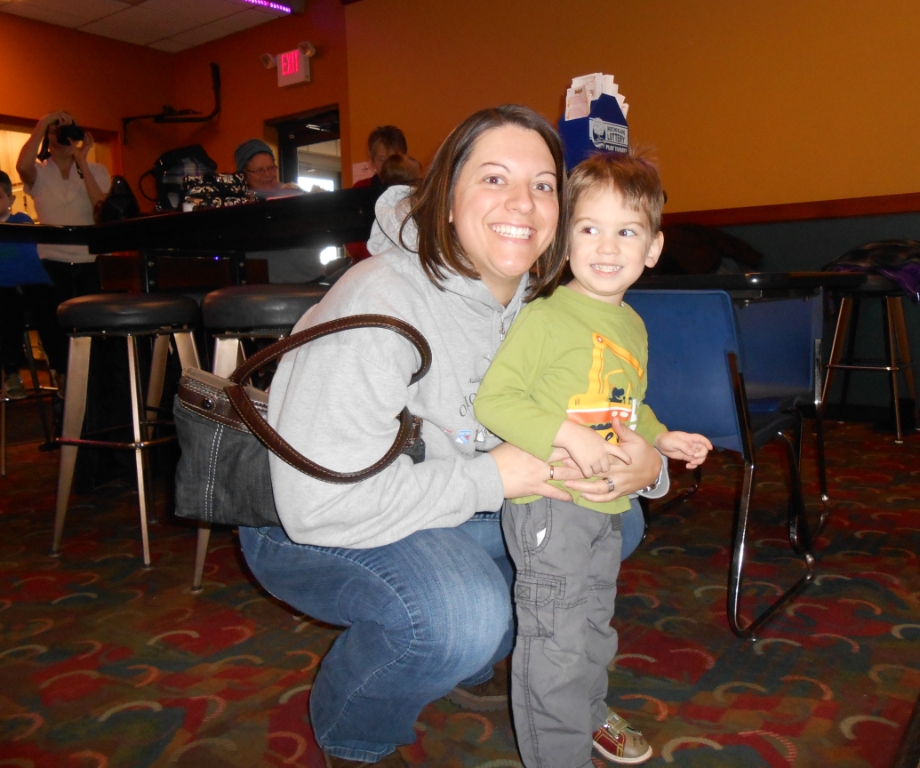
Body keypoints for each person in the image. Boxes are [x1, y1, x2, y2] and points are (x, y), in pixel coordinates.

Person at [237, 105, 668, 767]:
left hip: (446, 499)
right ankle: (356, 735)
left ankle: (538, 676)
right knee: (458, 617)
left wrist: (646, 463)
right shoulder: (379, 305)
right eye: (494, 179)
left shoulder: (544, 299)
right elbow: (315, 505)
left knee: (618, 519)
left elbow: (609, 409)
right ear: (444, 199)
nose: (522, 201)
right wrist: (495, 477)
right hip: (312, 519)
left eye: (543, 184)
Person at [475, 151, 713, 768]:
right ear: (566, 238)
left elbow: (626, 405)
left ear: (653, 248)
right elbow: (496, 401)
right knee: (553, 643)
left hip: (605, 505)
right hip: (550, 508)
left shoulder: (631, 323)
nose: (607, 247)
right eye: (590, 228)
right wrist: (567, 436)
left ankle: (586, 717)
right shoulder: (546, 317)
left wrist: (660, 440)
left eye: (626, 231)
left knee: (593, 628)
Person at [15, 111, 111, 302]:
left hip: (93, 259)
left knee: (97, 324)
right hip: (52, 261)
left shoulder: (96, 171)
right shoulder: (39, 172)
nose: (64, 133)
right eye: (56, 130)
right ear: (47, 135)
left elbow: (101, 208)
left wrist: (82, 162)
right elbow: (22, 167)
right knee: (56, 324)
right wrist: (44, 122)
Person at [0, 171, 63, 399]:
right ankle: (12, 373)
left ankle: (60, 368)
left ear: (10, 199)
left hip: (33, 283)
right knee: (7, 317)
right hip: (4, 289)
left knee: (49, 314)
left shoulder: (21, 221)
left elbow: (21, 250)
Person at [233, 139, 325, 283]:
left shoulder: (296, 195)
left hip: (311, 279)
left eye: (271, 168)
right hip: (262, 286)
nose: (268, 174)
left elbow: (320, 238)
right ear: (242, 174)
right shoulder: (238, 205)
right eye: (259, 170)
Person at [348, 126, 409, 262]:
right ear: (371, 158)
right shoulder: (361, 189)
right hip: (369, 265)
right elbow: (353, 240)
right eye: (382, 160)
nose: (388, 166)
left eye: (394, 159)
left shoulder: (414, 190)